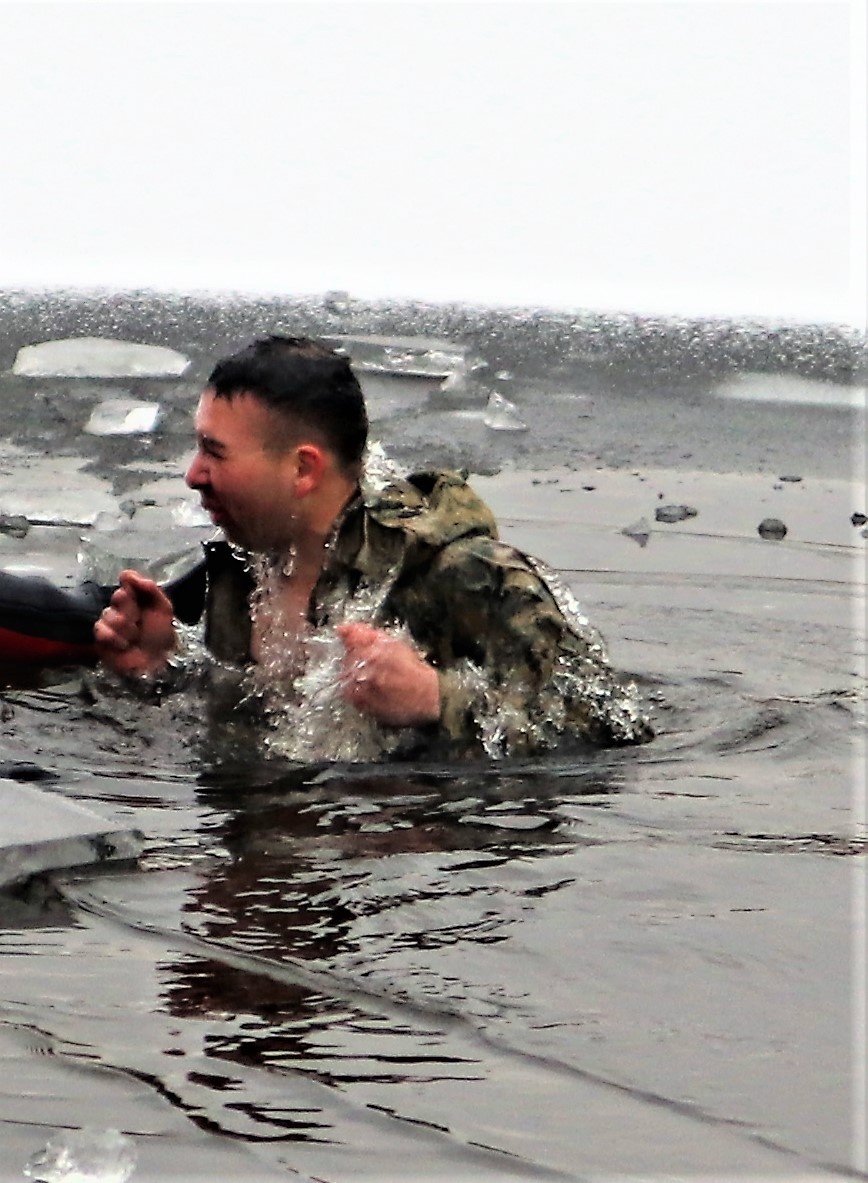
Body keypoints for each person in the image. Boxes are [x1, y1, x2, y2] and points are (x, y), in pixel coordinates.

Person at [94, 335, 653, 758]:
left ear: (302, 467)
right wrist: (161, 671)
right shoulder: (245, 570)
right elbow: (254, 720)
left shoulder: (456, 571)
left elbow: (614, 723)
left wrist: (436, 699)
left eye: (215, 453)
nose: (193, 475)